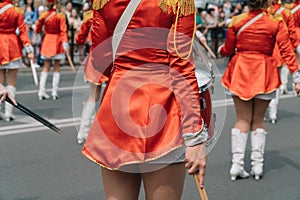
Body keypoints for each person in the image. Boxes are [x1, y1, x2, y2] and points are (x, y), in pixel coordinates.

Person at [81, 0, 208, 199]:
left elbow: (100, 60)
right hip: (162, 109)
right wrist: (195, 137)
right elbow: (180, 69)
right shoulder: (177, 2)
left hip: (117, 107)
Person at [218, 0, 300, 181]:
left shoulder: (236, 20)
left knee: (242, 120)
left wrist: (221, 50)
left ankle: (237, 166)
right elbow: (286, 50)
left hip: (240, 70)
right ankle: (257, 166)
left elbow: (228, 49)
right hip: (264, 71)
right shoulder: (275, 21)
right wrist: (296, 76)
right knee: (257, 120)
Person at [0, 0, 34, 121]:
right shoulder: (16, 10)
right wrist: (29, 49)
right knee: (11, 81)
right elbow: (23, 32)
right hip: (12, 46)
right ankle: (8, 112)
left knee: (0, 81)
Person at [267, 0, 299, 124]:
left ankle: (267, 108)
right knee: (279, 78)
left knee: (266, 82)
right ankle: (273, 112)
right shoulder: (286, 12)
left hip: (265, 51)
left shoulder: (263, 12)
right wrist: (294, 45)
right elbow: (292, 33)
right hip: (281, 48)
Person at [35, 0, 69, 100]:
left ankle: (41, 91)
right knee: (57, 67)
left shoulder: (43, 15)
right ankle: (54, 92)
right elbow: (63, 31)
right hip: (57, 41)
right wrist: (65, 44)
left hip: (47, 41)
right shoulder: (60, 15)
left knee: (46, 67)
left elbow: (37, 29)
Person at [75, 5, 98, 145]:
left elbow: (79, 38)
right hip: (116, 58)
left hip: (96, 57)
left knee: (93, 97)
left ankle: (83, 132)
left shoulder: (90, 15)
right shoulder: (118, 9)